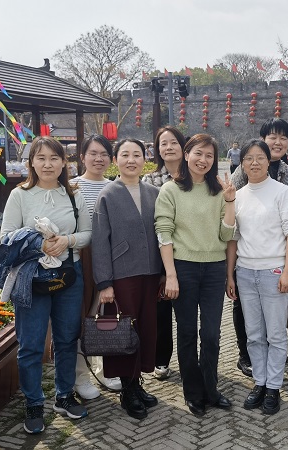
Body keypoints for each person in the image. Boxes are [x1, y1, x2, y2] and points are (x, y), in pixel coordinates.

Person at [0, 136, 92, 434]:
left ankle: (64, 395)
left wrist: (67, 240)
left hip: (68, 275)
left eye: (54, 158)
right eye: (41, 158)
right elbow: (6, 236)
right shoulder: (20, 195)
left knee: (67, 339)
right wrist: (38, 244)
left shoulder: (74, 195)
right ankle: (33, 403)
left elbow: (87, 233)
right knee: (31, 343)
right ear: (31, 163)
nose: (48, 164)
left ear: (64, 162)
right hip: (31, 277)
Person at [155, 133, 236, 417]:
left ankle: (211, 389)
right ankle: (192, 392)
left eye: (209, 155)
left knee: (211, 334)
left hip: (214, 269)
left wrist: (229, 201)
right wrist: (171, 274)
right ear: (187, 154)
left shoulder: (219, 190)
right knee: (187, 332)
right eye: (198, 153)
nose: (203, 160)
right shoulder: (170, 190)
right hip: (184, 268)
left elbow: (227, 235)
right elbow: (164, 232)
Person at [91, 138, 163, 420]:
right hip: (121, 275)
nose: (131, 160)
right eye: (125, 155)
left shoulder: (154, 193)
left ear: (145, 159)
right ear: (115, 160)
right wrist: (104, 283)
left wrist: (163, 273)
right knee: (123, 331)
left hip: (150, 273)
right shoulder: (108, 195)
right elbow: (100, 242)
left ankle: (137, 383)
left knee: (145, 329)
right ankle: (127, 389)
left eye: (137, 154)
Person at [226, 139, 288, 415]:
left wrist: (287, 271)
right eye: (248, 158)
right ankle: (260, 381)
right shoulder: (238, 195)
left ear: (269, 161)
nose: (254, 162)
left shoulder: (282, 192)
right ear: (241, 163)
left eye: (260, 157)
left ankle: (274, 387)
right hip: (245, 273)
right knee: (254, 334)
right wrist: (230, 275)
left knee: (276, 334)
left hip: (274, 272)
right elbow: (233, 238)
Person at [72, 135, 122, 400]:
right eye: (93, 153)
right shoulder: (71, 187)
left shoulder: (115, 187)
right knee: (79, 318)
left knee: (103, 316)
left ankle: (105, 370)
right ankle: (81, 377)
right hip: (79, 258)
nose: (98, 159)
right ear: (82, 157)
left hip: (108, 259)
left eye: (104, 154)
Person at [142, 126, 187, 381]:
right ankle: (161, 359)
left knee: (187, 311)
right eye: (163, 143)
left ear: (183, 146)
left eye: (173, 142)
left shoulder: (194, 176)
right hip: (159, 253)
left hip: (189, 252)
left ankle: (190, 360)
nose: (169, 147)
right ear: (157, 150)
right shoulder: (149, 181)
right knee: (161, 310)